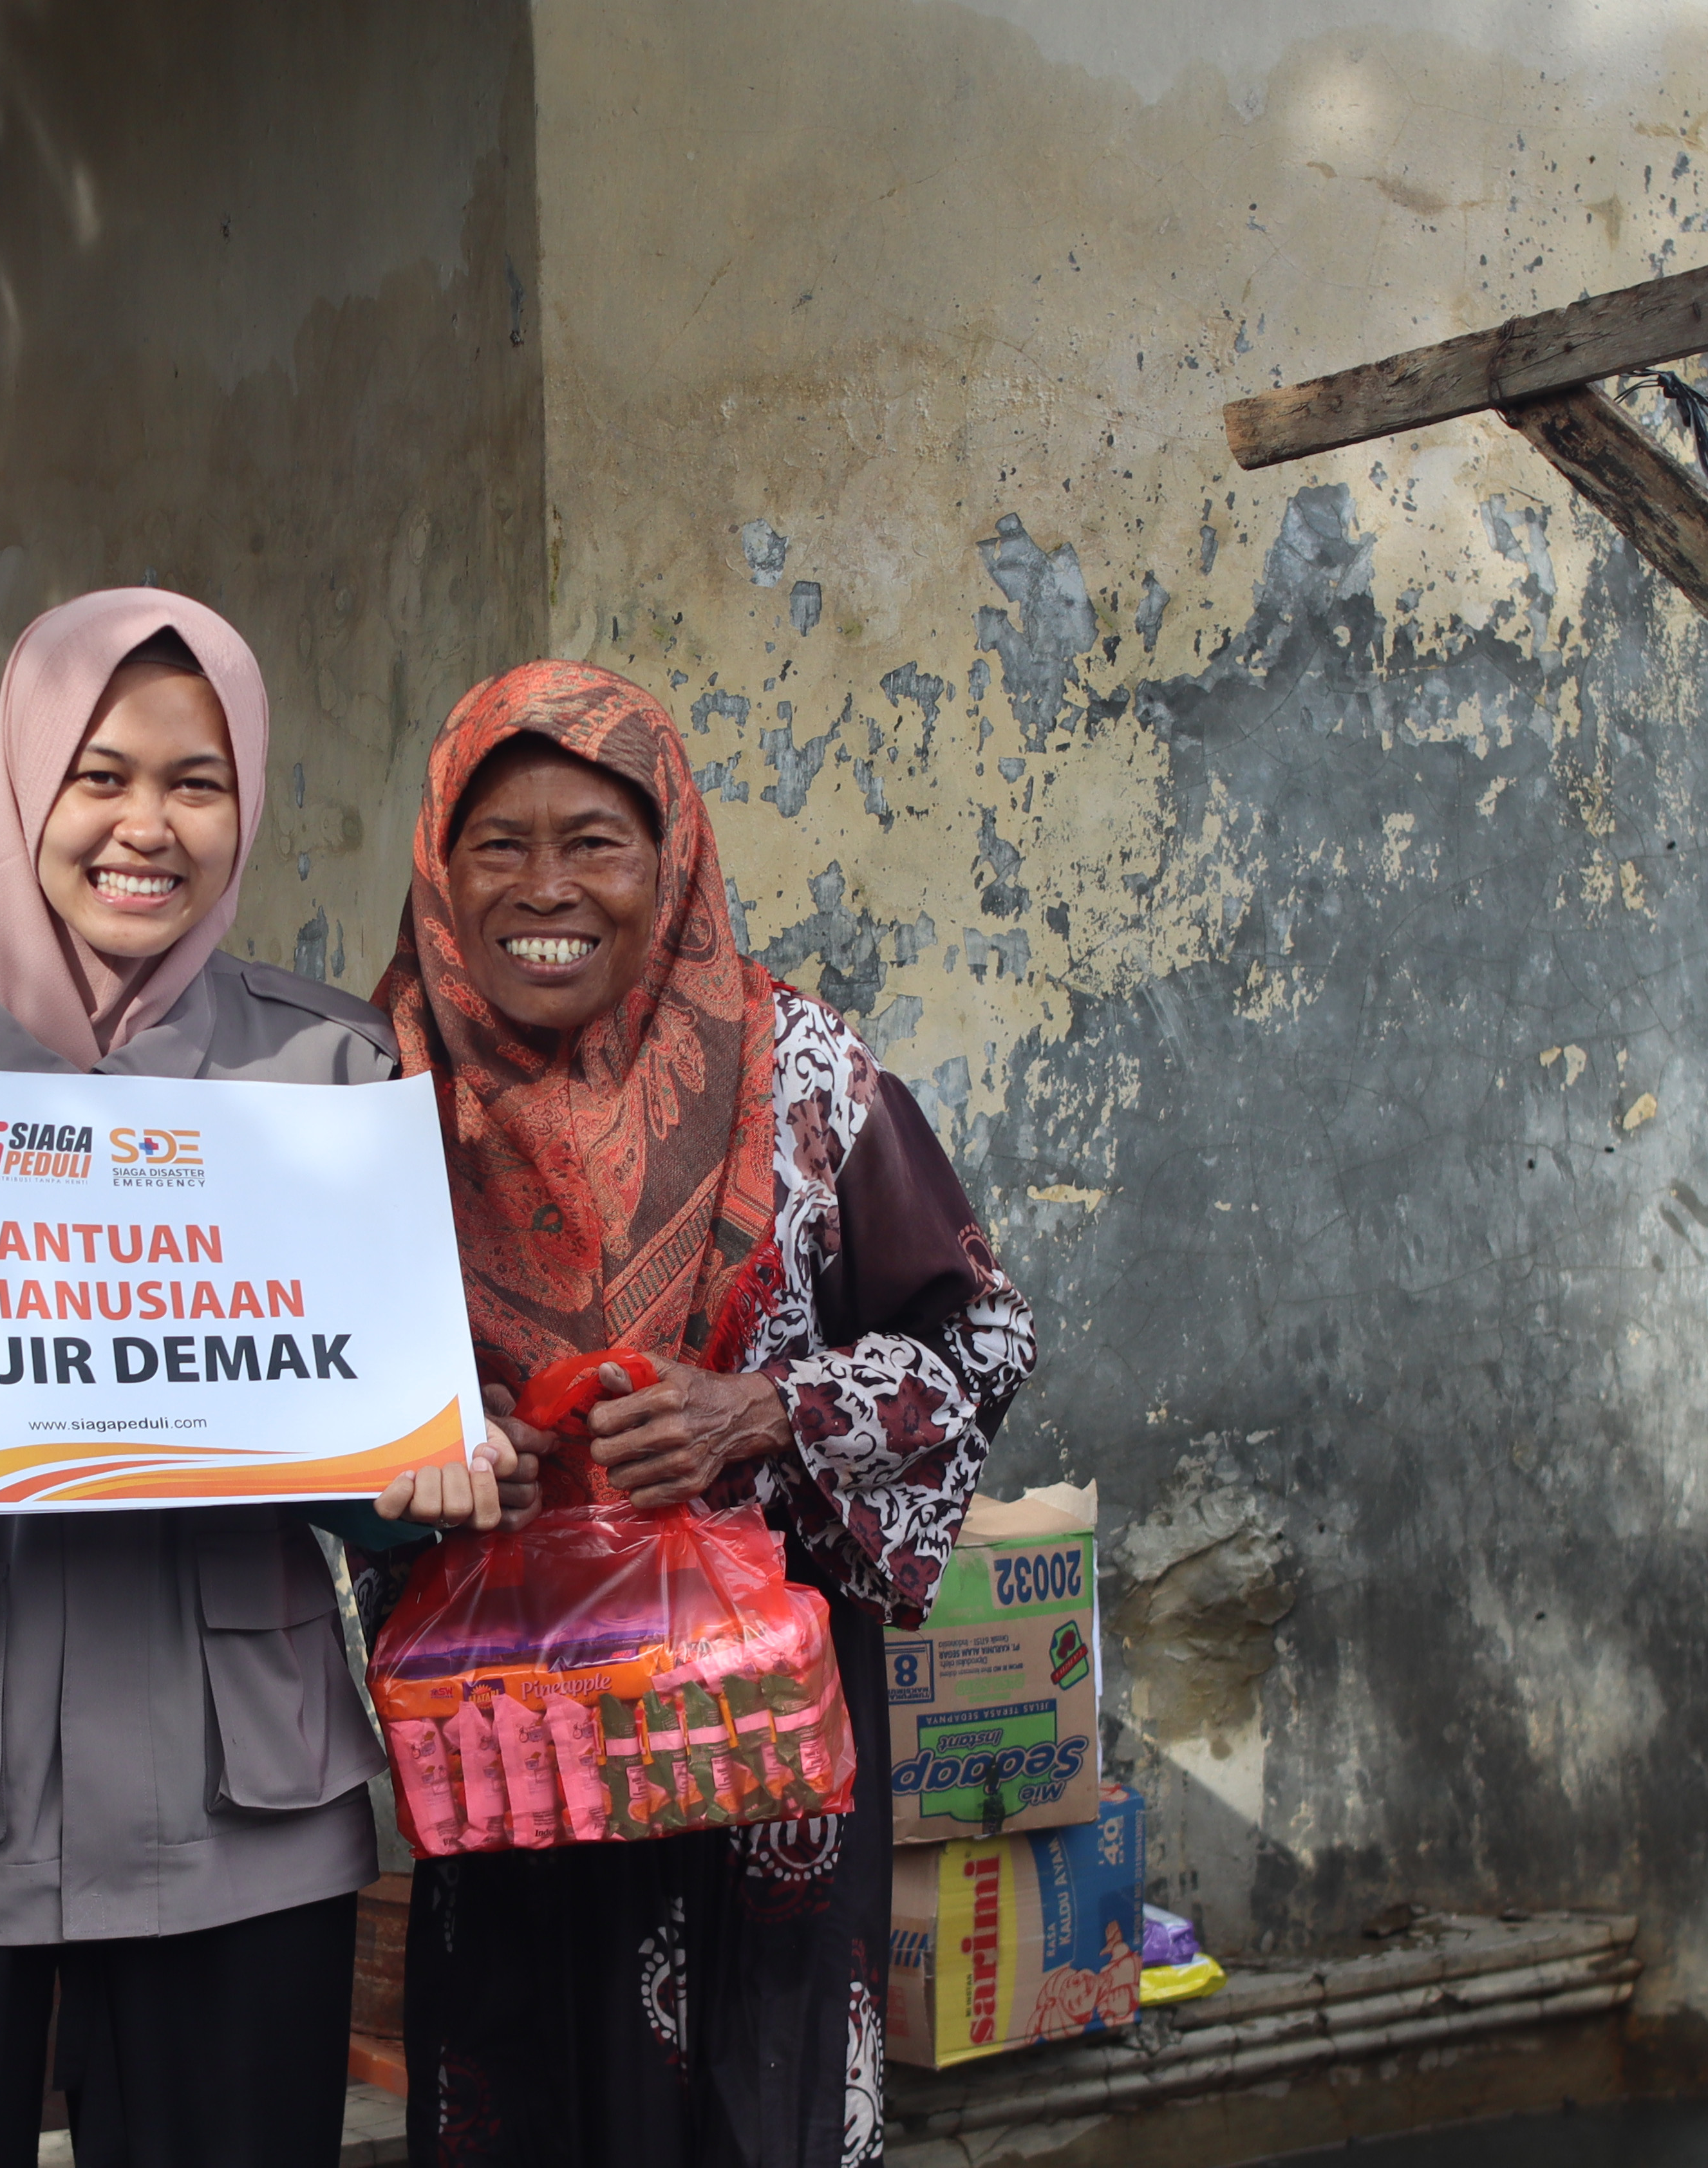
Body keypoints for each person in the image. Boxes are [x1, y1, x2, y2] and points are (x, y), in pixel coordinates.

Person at [0, 589, 517, 2168]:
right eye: (100, 773)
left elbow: (373, 1438)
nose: (147, 827)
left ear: (246, 800)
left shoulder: (331, 1076)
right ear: (23, 784)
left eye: (196, 781)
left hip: (231, 1821)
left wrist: (421, 1485)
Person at [370, 660, 1038, 2168]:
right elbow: (300, 1392)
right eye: (500, 844)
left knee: (767, 2109)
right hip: (512, 1755)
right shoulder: (378, 1094)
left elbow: (983, 1336)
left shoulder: (802, 1074)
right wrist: (440, 1434)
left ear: (670, 858)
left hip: (761, 1783)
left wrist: (761, 1411)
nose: (549, 886)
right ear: (438, 864)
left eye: (595, 840)